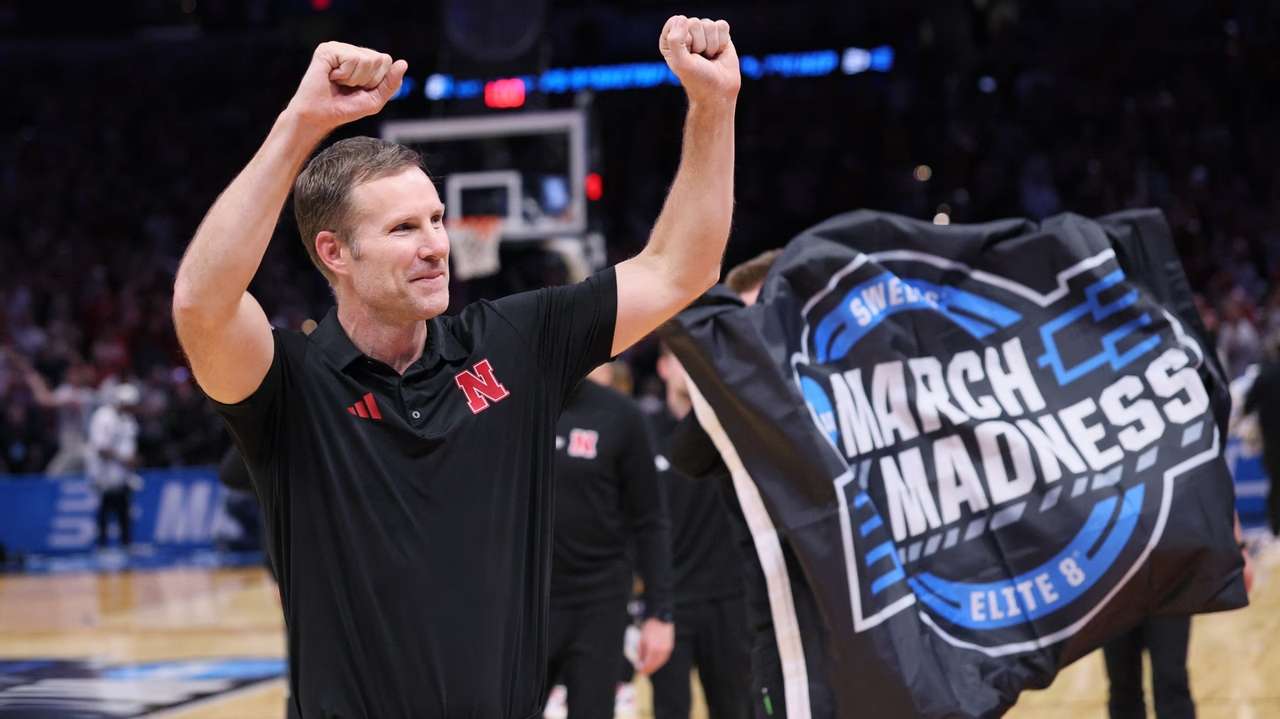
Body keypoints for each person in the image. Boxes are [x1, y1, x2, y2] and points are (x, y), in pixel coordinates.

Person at [170, 15, 739, 719]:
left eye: (437, 219)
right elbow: (201, 303)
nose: (436, 244)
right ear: (335, 253)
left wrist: (714, 107)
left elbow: (682, 268)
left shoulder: (516, 342)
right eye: (404, 229)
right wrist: (301, 123)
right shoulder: (289, 385)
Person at [545, 367, 673, 716]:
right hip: (528, 600)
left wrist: (659, 612)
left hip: (599, 600)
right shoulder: (522, 403)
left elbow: (651, 520)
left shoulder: (622, 415)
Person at [648, 339, 752, 719]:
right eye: (681, 359)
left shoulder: (733, 432)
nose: (691, 368)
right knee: (669, 709)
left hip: (730, 598)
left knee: (736, 707)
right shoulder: (646, 433)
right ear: (663, 368)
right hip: (670, 602)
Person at [86, 383, 141, 549]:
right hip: (104, 473)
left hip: (122, 474)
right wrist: (124, 459)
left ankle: (126, 545)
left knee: (124, 510)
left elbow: (130, 446)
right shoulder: (103, 417)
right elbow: (101, 448)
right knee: (105, 509)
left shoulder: (129, 420)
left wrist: (133, 460)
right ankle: (102, 546)